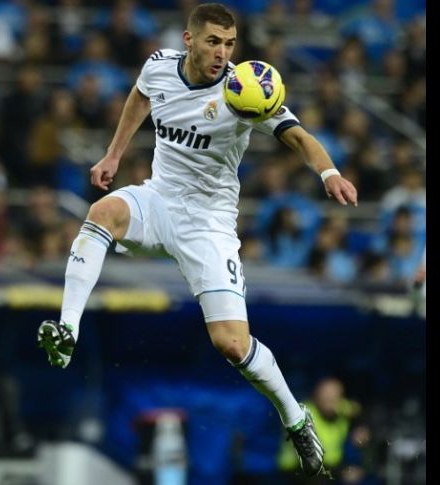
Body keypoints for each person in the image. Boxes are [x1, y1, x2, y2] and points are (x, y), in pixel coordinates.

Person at [36, 3, 358, 478]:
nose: (222, 53)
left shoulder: (244, 90)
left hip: (209, 226)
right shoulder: (159, 66)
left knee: (232, 345)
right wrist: (113, 155)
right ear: (189, 41)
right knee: (102, 212)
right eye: (213, 42)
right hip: (159, 201)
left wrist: (329, 173)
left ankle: (295, 418)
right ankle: (68, 330)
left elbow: (299, 137)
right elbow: (140, 95)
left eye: (229, 44)